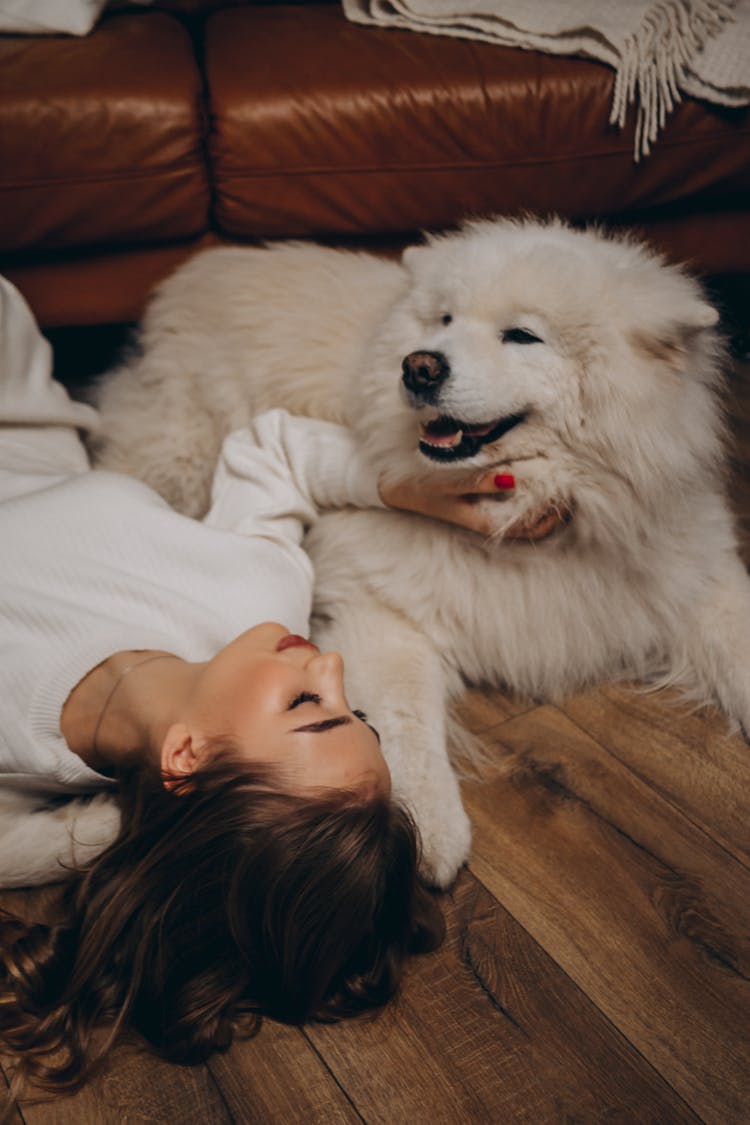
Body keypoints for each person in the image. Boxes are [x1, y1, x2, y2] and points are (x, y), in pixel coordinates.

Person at [0, 277, 505, 1101]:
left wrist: (101, 833)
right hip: (21, 403)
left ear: (188, 753)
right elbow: (272, 452)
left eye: (310, 710)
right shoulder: (255, 605)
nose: (330, 665)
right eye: (356, 712)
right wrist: (416, 487)